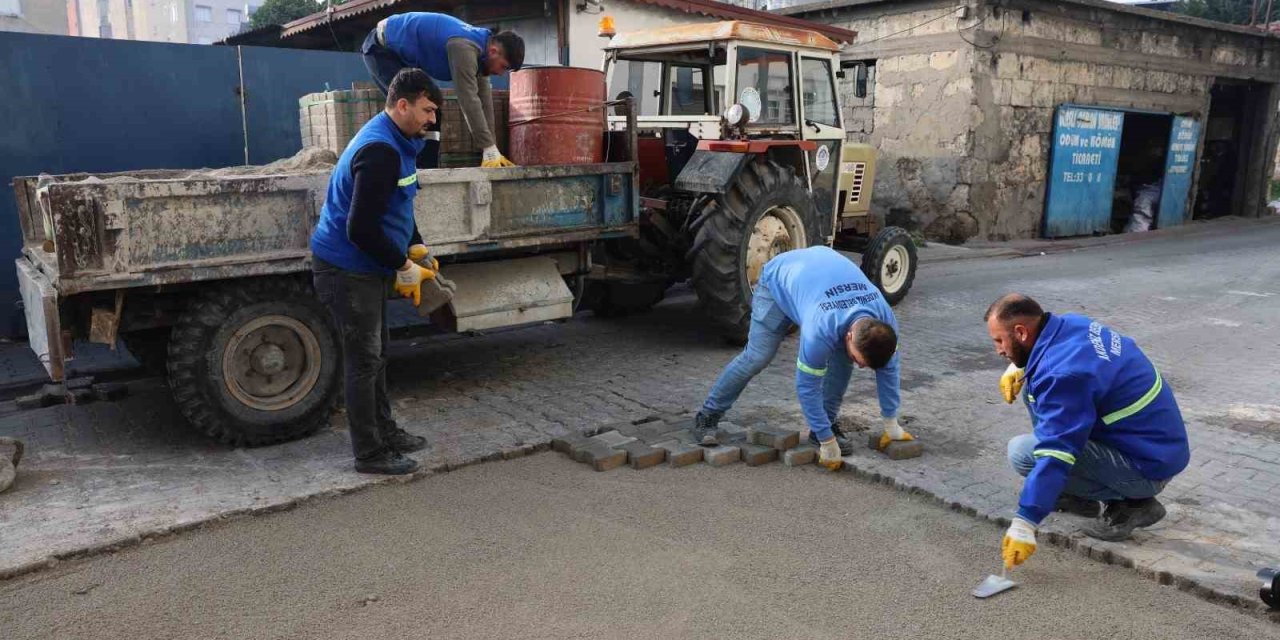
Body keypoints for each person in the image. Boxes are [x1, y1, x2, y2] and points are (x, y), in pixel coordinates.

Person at [986, 294, 1190, 570]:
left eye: (1000, 340)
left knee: (1023, 453)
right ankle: (1078, 496)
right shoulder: (1071, 324)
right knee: (1035, 397)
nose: (998, 350)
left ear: (1021, 332)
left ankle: (1135, 505)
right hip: (1155, 445)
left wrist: (1025, 521)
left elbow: (1056, 453)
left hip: (1147, 465)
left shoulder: (1063, 375)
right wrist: (1018, 366)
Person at [311, 68, 443, 475]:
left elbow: (400, 201)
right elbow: (361, 228)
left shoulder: (401, 140)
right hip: (347, 269)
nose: (432, 120)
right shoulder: (379, 150)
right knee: (364, 360)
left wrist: (415, 244)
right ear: (402, 105)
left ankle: (386, 431)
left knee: (378, 352)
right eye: (427, 110)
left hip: (366, 265)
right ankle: (369, 453)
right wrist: (402, 265)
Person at [690, 246, 914, 470]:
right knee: (757, 356)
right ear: (849, 335)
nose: (861, 366)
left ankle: (823, 426)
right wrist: (828, 442)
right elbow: (807, 387)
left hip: (818, 276)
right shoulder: (820, 329)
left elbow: (889, 370)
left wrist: (891, 423)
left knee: (843, 361)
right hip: (779, 282)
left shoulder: (885, 322)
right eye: (859, 359)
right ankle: (708, 415)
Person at [360, 11, 523, 169]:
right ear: (494, 51)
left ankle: (426, 170)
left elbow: (484, 103)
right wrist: (487, 146)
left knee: (432, 113)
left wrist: (491, 149)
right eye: (503, 67)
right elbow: (468, 99)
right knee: (412, 112)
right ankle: (394, 166)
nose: (501, 73)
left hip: (402, 58)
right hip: (381, 51)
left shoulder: (482, 53)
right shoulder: (464, 48)